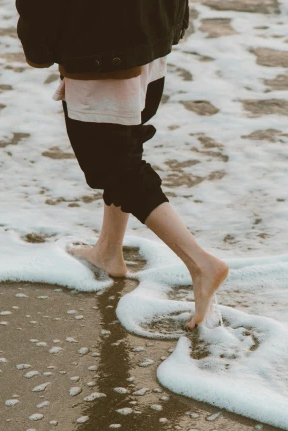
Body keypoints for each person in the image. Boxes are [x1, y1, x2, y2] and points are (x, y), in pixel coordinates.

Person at [15, 0, 228, 329]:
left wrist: (38, 46)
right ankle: (108, 251)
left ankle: (201, 265)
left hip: (100, 42)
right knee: (125, 150)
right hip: (149, 30)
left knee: (114, 165)